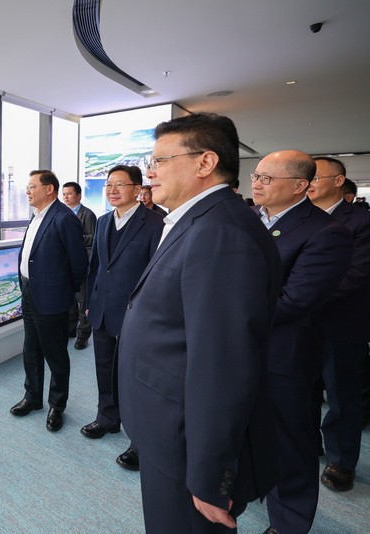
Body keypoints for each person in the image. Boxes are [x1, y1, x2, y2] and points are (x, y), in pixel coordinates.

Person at [118, 113, 282, 533]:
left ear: (205, 162)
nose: (150, 172)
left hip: (185, 444)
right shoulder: (197, 220)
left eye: (159, 160)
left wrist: (211, 476)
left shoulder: (221, 232)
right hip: (166, 427)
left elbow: (223, 366)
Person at [251, 150, 352, 533]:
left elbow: (294, 302)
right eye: (256, 176)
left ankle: (289, 522)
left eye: (267, 178)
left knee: (288, 443)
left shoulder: (326, 232)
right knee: (248, 431)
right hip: (239, 348)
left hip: (283, 355)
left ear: (299, 186)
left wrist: (222, 307)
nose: (256, 183)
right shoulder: (248, 219)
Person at [83, 165, 163, 475]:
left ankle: (139, 441)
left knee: (135, 377)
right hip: (102, 309)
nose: (112, 190)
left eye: (120, 184)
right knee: (104, 368)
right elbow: (96, 267)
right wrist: (89, 303)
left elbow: (156, 275)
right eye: (108, 185)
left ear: (137, 189)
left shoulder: (155, 224)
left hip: (136, 313)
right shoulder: (104, 221)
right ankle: (107, 418)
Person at [307, 157, 370, 492]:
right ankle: (309, 444)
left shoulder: (361, 221)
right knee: (303, 389)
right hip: (301, 321)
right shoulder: (302, 217)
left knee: (342, 395)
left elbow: (355, 274)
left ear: (338, 181)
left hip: (341, 323)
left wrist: (301, 297)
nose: (309, 182)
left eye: (316, 177)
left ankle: (342, 461)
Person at [9, 170, 88, 432]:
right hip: (29, 292)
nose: (27, 191)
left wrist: (63, 291)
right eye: (27, 186)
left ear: (49, 189)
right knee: (30, 348)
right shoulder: (36, 216)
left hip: (52, 297)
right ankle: (33, 397)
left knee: (56, 354)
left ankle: (57, 405)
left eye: (32, 186)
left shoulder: (64, 218)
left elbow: (79, 263)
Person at [61, 181, 96, 350]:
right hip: (66, 263)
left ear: (79, 196)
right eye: (64, 194)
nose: (65, 197)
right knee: (70, 300)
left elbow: (93, 238)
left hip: (81, 263)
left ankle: (83, 335)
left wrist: (74, 238)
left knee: (83, 301)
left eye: (69, 194)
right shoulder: (62, 214)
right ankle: (70, 329)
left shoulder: (87, 214)